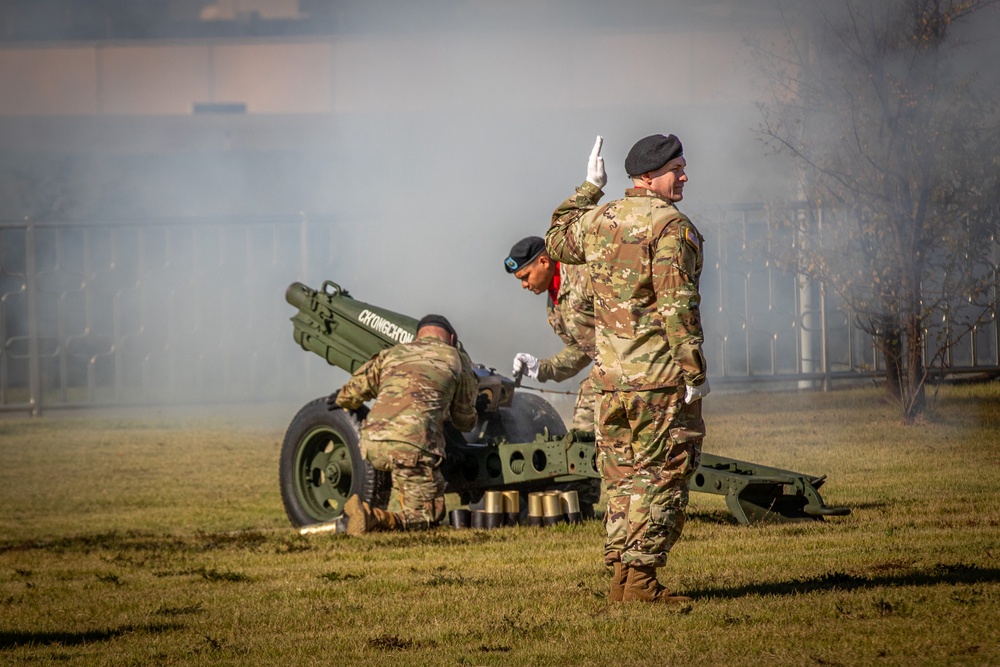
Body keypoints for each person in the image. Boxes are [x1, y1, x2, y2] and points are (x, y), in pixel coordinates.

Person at [545, 134, 709, 604]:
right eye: (676, 168)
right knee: (662, 474)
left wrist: (588, 188)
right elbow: (678, 306)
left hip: (609, 383)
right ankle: (640, 582)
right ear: (648, 176)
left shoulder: (600, 219)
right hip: (657, 380)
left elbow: (556, 239)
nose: (684, 176)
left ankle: (621, 577)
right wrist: (693, 372)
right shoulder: (670, 226)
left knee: (620, 477)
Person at [330, 314, 478, 534]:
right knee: (428, 516)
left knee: (407, 479)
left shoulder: (392, 353)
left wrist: (340, 399)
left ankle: (390, 509)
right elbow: (464, 420)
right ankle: (369, 516)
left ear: (417, 336)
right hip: (412, 446)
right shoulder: (456, 359)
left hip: (373, 443)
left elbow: (355, 390)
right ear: (452, 338)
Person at [503, 235, 603, 515]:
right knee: (585, 422)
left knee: (587, 416)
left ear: (544, 261)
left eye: (525, 276)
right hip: (610, 364)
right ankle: (582, 504)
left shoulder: (584, 274)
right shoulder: (554, 304)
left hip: (634, 358)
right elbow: (582, 349)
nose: (524, 285)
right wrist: (541, 367)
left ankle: (585, 499)